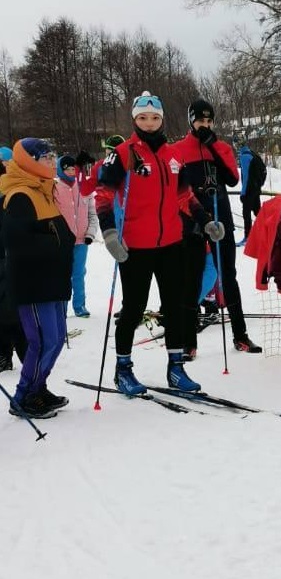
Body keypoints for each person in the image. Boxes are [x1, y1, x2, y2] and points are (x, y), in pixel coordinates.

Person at [95, 91, 225, 395]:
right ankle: (123, 368)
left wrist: (206, 220)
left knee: (176, 307)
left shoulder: (172, 155)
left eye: (154, 118)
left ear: (162, 119)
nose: (149, 123)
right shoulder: (124, 153)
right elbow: (102, 195)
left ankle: (176, 368)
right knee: (134, 308)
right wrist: (110, 234)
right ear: (134, 119)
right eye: (143, 118)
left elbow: (184, 196)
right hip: (136, 248)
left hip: (170, 244)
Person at [174, 99, 261, 356]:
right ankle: (189, 341)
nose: (205, 125)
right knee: (192, 278)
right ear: (191, 120)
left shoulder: (220, 146)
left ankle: (240, 335)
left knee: (228, 276)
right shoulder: (179, 148)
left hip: (220, 219)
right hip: (192, 220)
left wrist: (213, 146)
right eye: (200, 120)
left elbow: (233, 179)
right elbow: (177, 188)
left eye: (209, 121)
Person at [0, 139, 73, 418]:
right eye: (46, 157)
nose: (52, 162)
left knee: (56, 339)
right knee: (43, 340)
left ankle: (38, 388)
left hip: (52, 280)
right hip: (34, 284)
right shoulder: (20, 194)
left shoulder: (43, 189)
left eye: (53, 156)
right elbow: (16, 242)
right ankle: (23, 396)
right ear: (29, 160)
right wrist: (58, 244)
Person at [53, 154, 98, 317]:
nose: (71, 172)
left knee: (78, 274)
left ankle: (80, 305)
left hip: (81, 241)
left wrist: (90, 234)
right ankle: (61, 308)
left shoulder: (83, 188)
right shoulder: (54, 188)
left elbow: (93, 213)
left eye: (73, 169)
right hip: (62, 242)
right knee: (62, 275)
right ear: (61, 170)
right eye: (67, 169)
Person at [0, 145, 28, 373]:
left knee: (14, 304)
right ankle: (3, 353)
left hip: (14, 253)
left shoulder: (16, 185)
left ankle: (24, 351)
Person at [238, 143, 267, 242]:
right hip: (256, 188)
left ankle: (248, 237)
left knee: (246, 214)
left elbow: (245, 177)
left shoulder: (244, 157)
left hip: (249, 190)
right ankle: (266, 232)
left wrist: (243, 193)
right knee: (257, 212)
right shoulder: (253, 154)